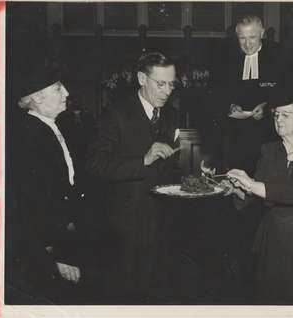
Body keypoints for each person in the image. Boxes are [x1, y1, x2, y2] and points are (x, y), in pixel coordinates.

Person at [86, 52, 180, 303]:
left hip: (163, 226)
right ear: (141, 78)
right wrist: (143, 161)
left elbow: (171, 166)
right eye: (161, 83)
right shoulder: (115, 113)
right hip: (125, 230)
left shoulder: (170, 115)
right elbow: (95, 165)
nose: (168, 90)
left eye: (172, 84)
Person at [222, 92, 293, 304]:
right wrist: (237, 190)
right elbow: (253, 196)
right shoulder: (269, 149)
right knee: (267, 298)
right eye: (276, 114)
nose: (278, 119)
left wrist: (251, 184)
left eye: (285, 115)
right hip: (271, 238)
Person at [11, 69, 95, 304]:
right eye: (58, 88)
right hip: (48, 246)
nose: (66, 92)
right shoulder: (30, 135)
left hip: (61, 239)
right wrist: (50, 255)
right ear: (37, 97)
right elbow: (29, 202)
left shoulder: (47, 127)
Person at [223, 15, 282, 175]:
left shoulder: (278, 55)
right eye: (242, 38)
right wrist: (229, 105)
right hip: (237, 136)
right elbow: (219, 91)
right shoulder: (228, 58)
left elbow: (288, 91)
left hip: (270, 133)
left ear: (262, 33)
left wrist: (268, 107)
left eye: (252, 37)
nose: (247, 44)